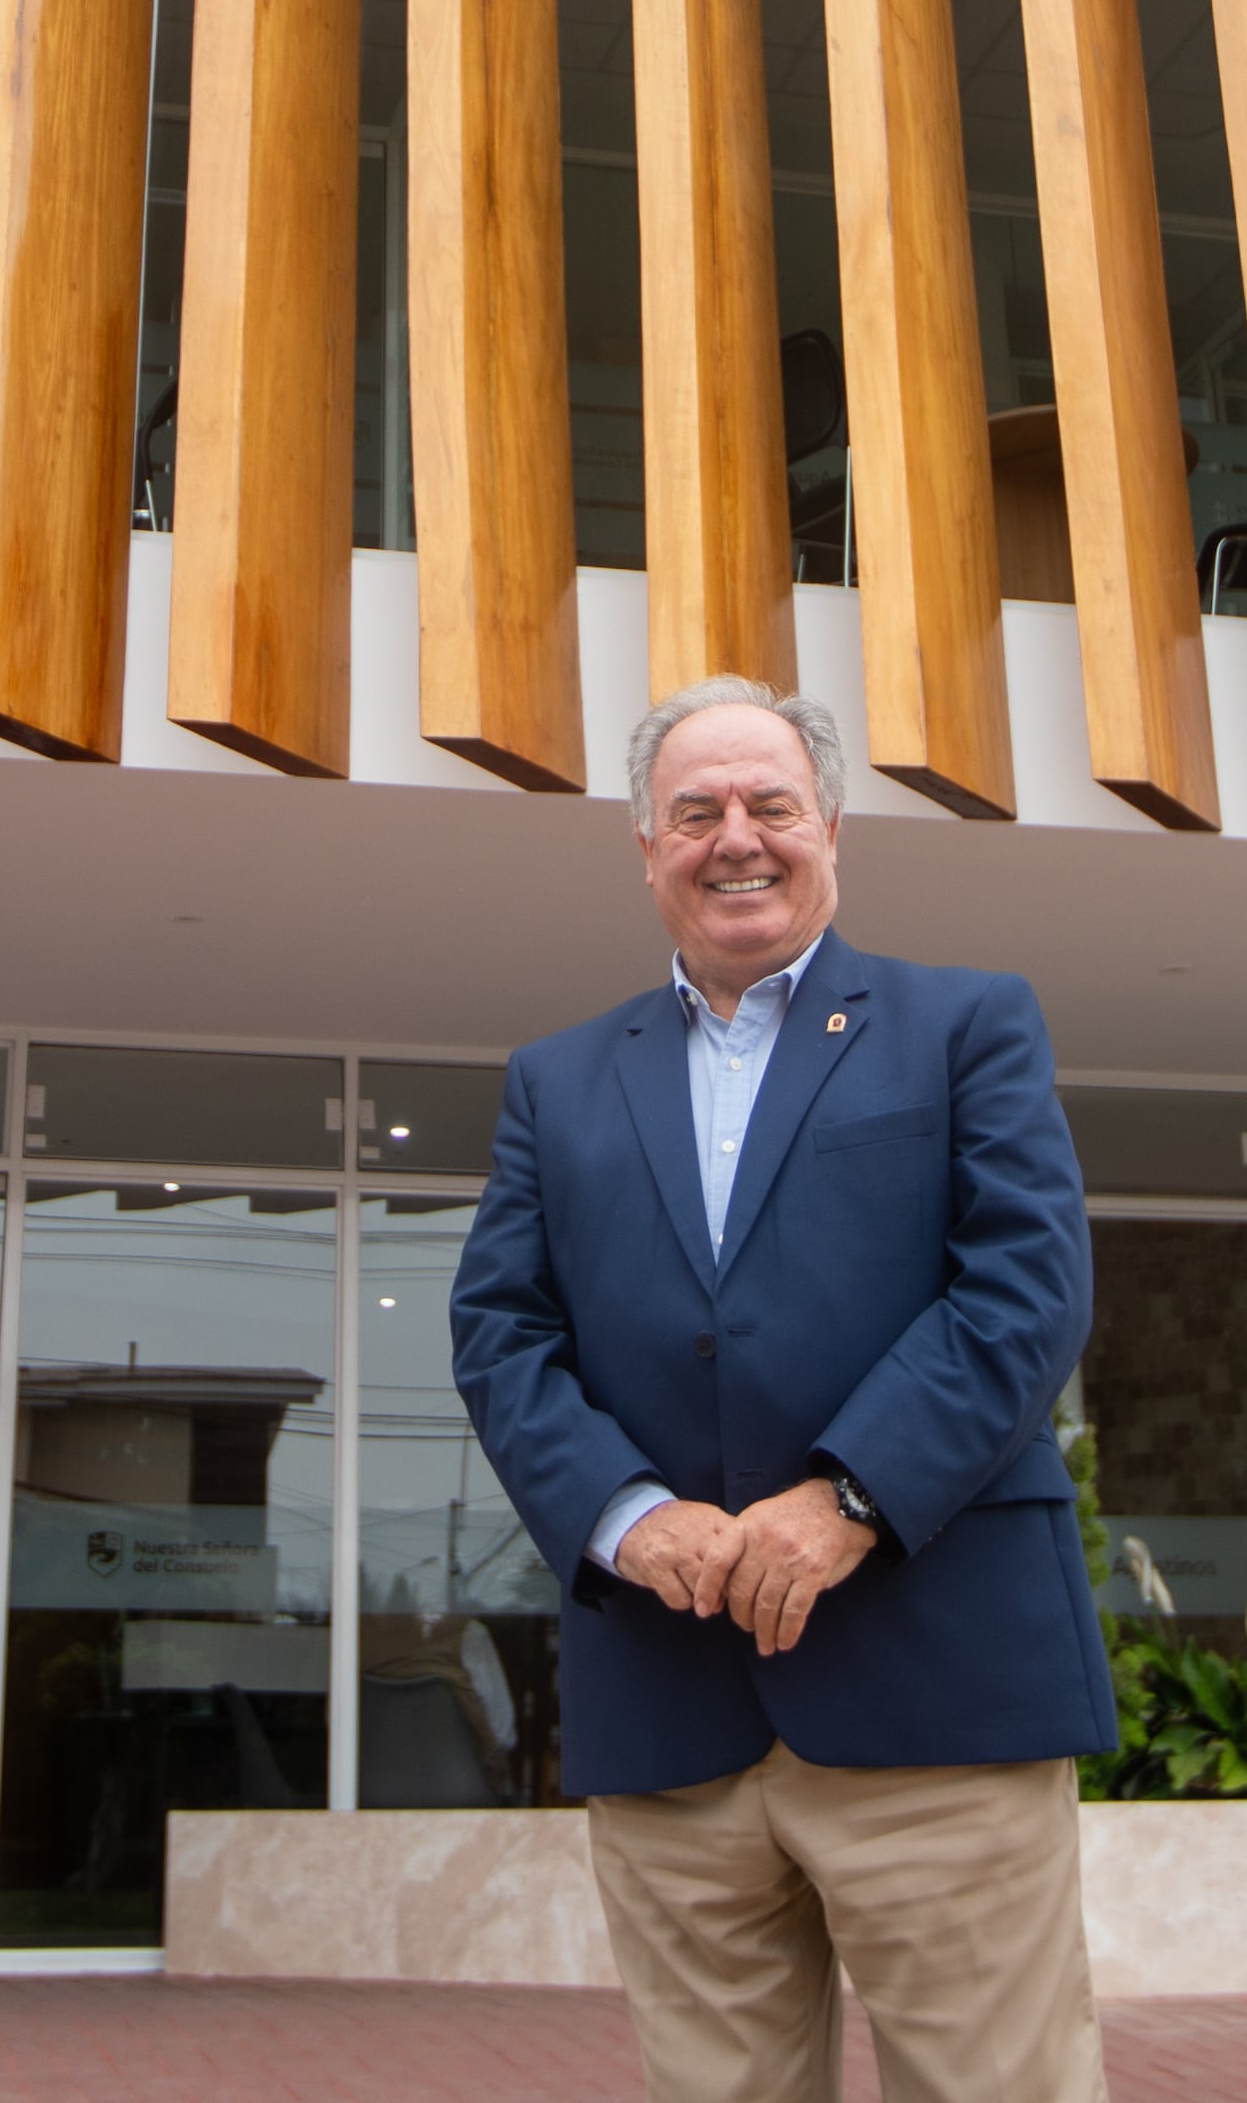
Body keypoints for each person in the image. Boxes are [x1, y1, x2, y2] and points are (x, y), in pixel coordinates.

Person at [451, 674, 1115, 2103]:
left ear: (831, 830)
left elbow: (1026, 1289)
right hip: (671, 1714)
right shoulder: (554, 1082)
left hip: (939, 1701)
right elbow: (502, 1331)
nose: (734, 837)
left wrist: (850, 1494)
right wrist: (627, 1516)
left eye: (770, 803)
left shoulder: (966, 1025)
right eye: (695, 810)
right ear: (646, 848)